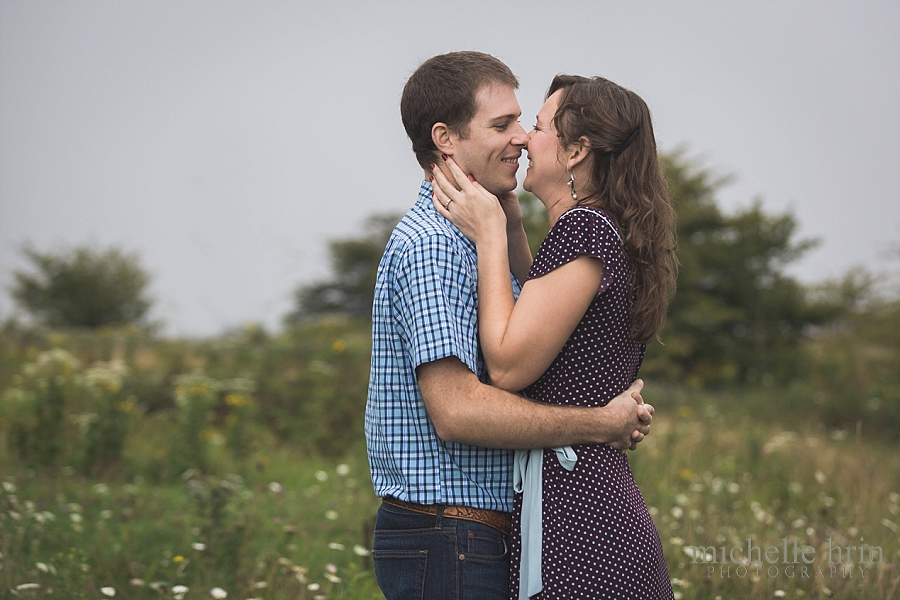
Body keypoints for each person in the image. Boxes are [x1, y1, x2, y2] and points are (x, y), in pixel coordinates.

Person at [365, 52, 656, 600]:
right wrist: (598, 423)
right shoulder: (435, 247)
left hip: (478, 532)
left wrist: (503, 225)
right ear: (445, 139)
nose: (522, 137)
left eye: (527, 122)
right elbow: (457, 410)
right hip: (451, 531)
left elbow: (542, 312)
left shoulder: (481, 237)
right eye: (503, 124)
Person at [432, 74, 677, 598]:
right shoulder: (601, 227)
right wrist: (514, 227)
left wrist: (491, 237)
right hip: (588, 495)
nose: (523, 137)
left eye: (539, 126)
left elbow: (508, 365)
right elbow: (542, 308)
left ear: (576, 150)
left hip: (578, 510)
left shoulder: (583, 230)